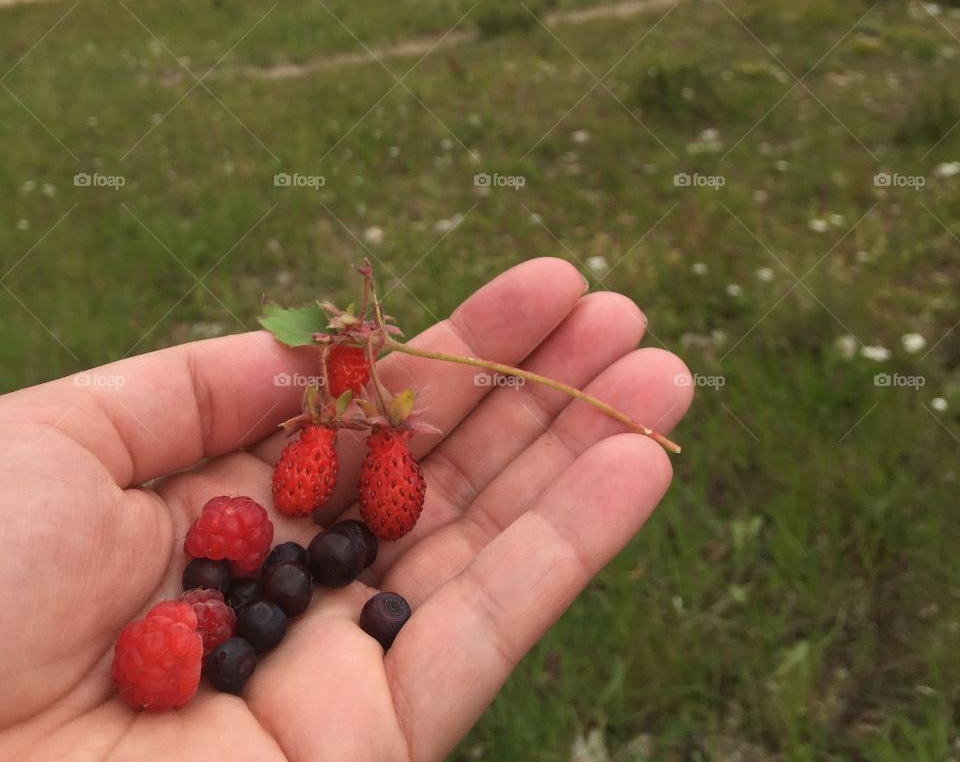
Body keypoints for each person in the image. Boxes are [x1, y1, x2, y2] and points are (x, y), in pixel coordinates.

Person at [0, 257, 692, 760]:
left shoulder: (259, 584)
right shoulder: (226, 605)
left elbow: (289, 561)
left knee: (309, 566)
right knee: (288, 579)